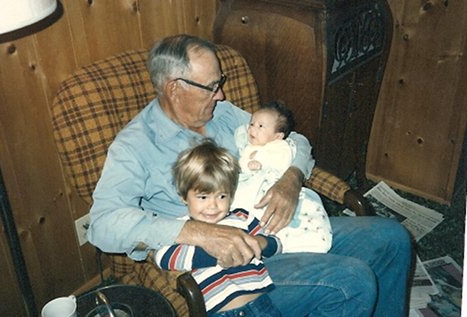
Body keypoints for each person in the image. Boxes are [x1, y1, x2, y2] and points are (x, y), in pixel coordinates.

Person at [88, 34, 412, 316]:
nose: (222, 95)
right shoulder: (136, 145)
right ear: (175, 89)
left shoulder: (222, 114)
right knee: (352, 281)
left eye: (221, 83)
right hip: (233, 265)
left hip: (278, 227)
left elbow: (291, 139)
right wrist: (199, 233)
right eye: (213, 87)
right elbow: (103, 224)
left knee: (391, 238)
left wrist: (291, 179)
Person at [154, 138, 282, 316]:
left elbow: (276, 244)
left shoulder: (241, 217)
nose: (213, 206)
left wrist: (259, 243)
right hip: (223, 312)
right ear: (184, 196)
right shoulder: (184, 228)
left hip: (263, 304)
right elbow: (162, 256)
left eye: (222, 196)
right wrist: (219, 253)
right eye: (203, 197)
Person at [232, 100, 332, 253]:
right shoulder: (248, 147)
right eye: (252, 124)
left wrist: (261, 162)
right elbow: (243, 163)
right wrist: (248, 164)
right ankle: (273, 239)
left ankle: (308, 239)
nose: (252, 128)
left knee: (305, 211)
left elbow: (284, 160)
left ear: (277, 136)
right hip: (253, 189)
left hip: (276, 183)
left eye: (260, 126)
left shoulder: (280, 146)